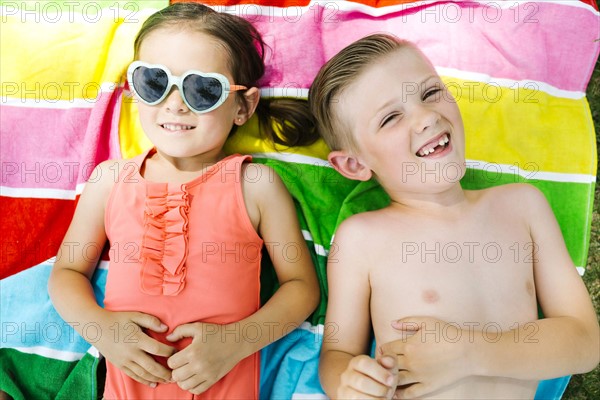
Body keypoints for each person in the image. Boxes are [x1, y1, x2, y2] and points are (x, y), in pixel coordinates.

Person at [48, 3, 320, 399]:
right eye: (154, 82)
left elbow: (301, 287)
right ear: (133, 90)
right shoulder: (110, 181)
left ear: (243, 106)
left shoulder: (255, 184)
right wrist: (101, 329)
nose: (175, 103)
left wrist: (238, 341)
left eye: (203, 90)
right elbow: (66, 272)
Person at [308, 33, 599, 399]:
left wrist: (470, 354)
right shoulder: (361, 238)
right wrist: (349, 383)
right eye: (391, 118)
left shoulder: (522, 206)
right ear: (353, 164)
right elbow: (338, 355)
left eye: (430, 93)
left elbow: (585, 343)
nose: (426, 117)